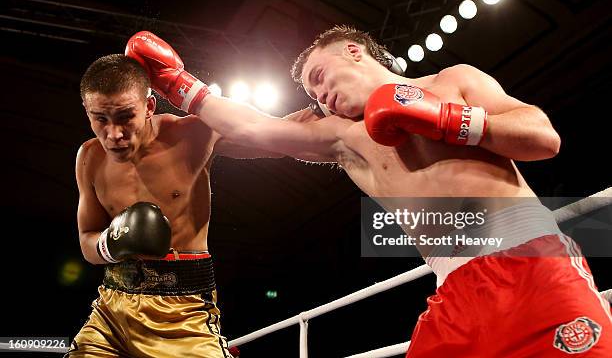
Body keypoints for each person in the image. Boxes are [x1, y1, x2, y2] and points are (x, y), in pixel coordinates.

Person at [126, 27, 612, 357]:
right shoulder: (339, 134)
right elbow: (255, 130)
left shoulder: (452, 81)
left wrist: (449, 120)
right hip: (457, 291)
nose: (321, 98)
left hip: (533, 263)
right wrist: (177, 84)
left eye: (320, 78)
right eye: (312, 97)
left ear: (353, 52)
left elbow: (544, 137)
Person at [68, 53, 270, 357]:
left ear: (149, 106)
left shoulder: (192, 135)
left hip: (182, 312)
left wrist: (190, 90)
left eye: (125, 116)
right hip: (110, 309)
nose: (114, 134)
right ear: (87, 111)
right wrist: (110, 243)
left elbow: (273, 135)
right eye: (100, 119)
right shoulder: (89, 157)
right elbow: (87, 240)